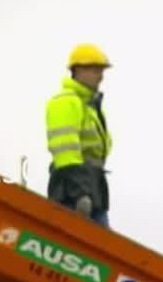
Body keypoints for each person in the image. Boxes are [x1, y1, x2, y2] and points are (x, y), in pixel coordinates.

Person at [46, 43, 114, 228]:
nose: (100, 76)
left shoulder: (90, 107)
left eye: (101, 71)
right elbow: (66, 153)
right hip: (72, 187)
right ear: (78, 70)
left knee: (101, 248)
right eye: (95, 70)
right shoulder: (66, 102)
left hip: (93, 184)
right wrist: (80, 193)